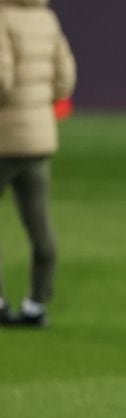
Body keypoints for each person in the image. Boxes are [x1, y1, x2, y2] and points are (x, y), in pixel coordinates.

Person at [0, 0, 75, 328]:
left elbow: (2, 78)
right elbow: (65, 77)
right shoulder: (47, 18)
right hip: (39, 137)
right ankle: (35, 304)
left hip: (3, 136)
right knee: (40, 225)